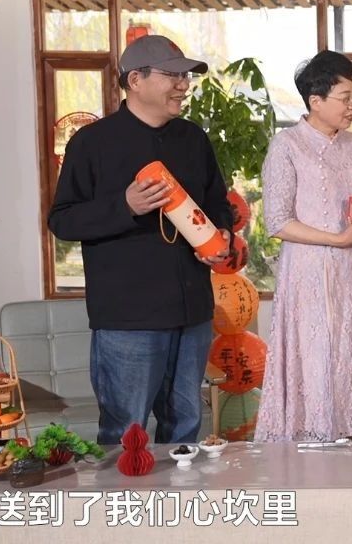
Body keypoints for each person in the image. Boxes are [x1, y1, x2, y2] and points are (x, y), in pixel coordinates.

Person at [48, 35, 228, 445]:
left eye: (186, 76)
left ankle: (181, 490)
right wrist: (124, 205)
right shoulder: (91, 143)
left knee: (185, 428)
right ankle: (121, 493)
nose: (183, 85)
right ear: (135, 80)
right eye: (173, 75)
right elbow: (62, 220)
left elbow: (217, 204)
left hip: (192, 313)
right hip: (128, 318)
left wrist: (223, 233)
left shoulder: (193, 139)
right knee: (124, 433)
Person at [254, 50, 352, 442]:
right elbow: (278, 221)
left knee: (351, 349)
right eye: (345, 97)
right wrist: (336, 239)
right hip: (309, 273)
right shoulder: (287, 145)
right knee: (316, 355)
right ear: (315, 101)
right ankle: (312, 436)